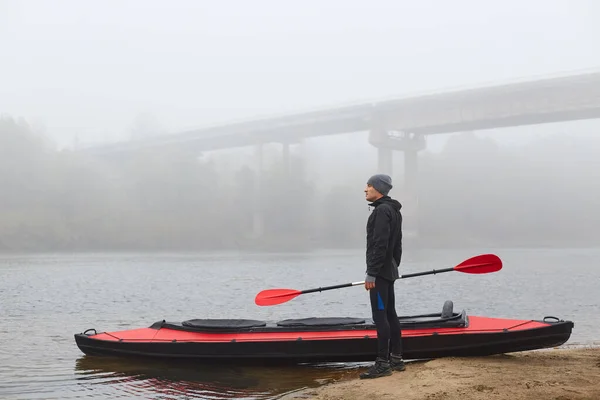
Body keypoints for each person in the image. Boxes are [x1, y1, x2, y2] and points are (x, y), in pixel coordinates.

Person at [359, 173, 405, 379]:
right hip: (389, 271)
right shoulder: (394, 211)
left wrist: (372, 273)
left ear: (378, 188)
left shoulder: (381, 212)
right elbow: (397, 246)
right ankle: (396, 359)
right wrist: (393, 266)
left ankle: (382, 364)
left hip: (379, 274)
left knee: (380, 316)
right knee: (390, 314)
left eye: (368, 186)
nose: (365, 189)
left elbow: (379, 244)